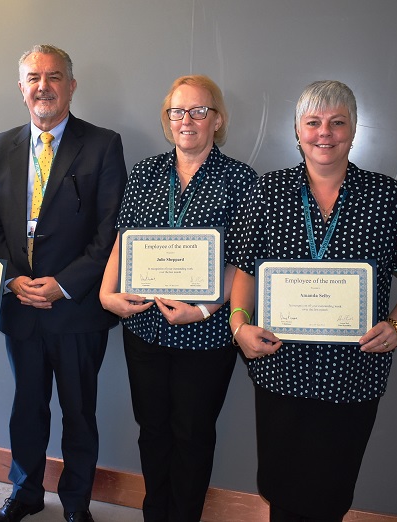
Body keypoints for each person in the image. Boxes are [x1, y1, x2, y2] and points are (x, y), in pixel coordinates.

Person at [228, 80, 397, 521]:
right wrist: (239, 325)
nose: (325, 132)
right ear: (298, 131)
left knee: (332, 487)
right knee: (281, 485)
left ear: (354, 130)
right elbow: (245, 269)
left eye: (337, 122)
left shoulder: (385, 196)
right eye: (313, 122)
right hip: (280, 366)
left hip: (353, 372)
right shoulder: (268, 192)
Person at [99, 75, 257, 521]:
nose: (186, 120)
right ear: (167, 120)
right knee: (152, 431)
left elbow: (243, 262)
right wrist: (106, 293)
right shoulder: (147, 172)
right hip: (144, 326)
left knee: (192, 434)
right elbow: (123, 240)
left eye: (198, 111)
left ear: (217, 119)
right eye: (177, 112)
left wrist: (205, 308)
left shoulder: (242, 180)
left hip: (206, 333)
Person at [0, 44, 127, 522]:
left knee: (79, 414)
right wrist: (12, 279)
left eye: (54, 76)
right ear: (21, 87)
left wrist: (63, 284)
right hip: (19, 305)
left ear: (71, 84)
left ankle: (76, 503)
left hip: (77, 308)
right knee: (26, 409)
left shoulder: (103, 144)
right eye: (33, 77)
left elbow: (110, 232)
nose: (43, 85)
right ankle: (24, 492)